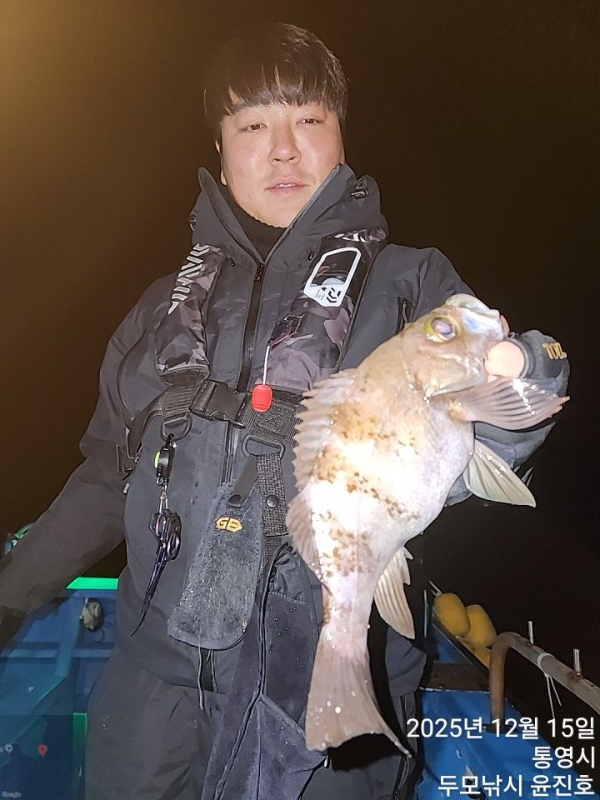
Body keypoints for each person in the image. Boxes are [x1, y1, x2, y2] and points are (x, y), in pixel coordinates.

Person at [0, 22, 569, 800]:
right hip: (150, 692)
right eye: (253, 126)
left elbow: (507, 418)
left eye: (308, 120)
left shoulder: (411, 286)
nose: (283, 150)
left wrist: (528, 369)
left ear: (340, 136)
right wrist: (10, 594)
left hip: (315, 686)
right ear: (221, 150)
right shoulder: (160, 309)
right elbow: (106, 476)